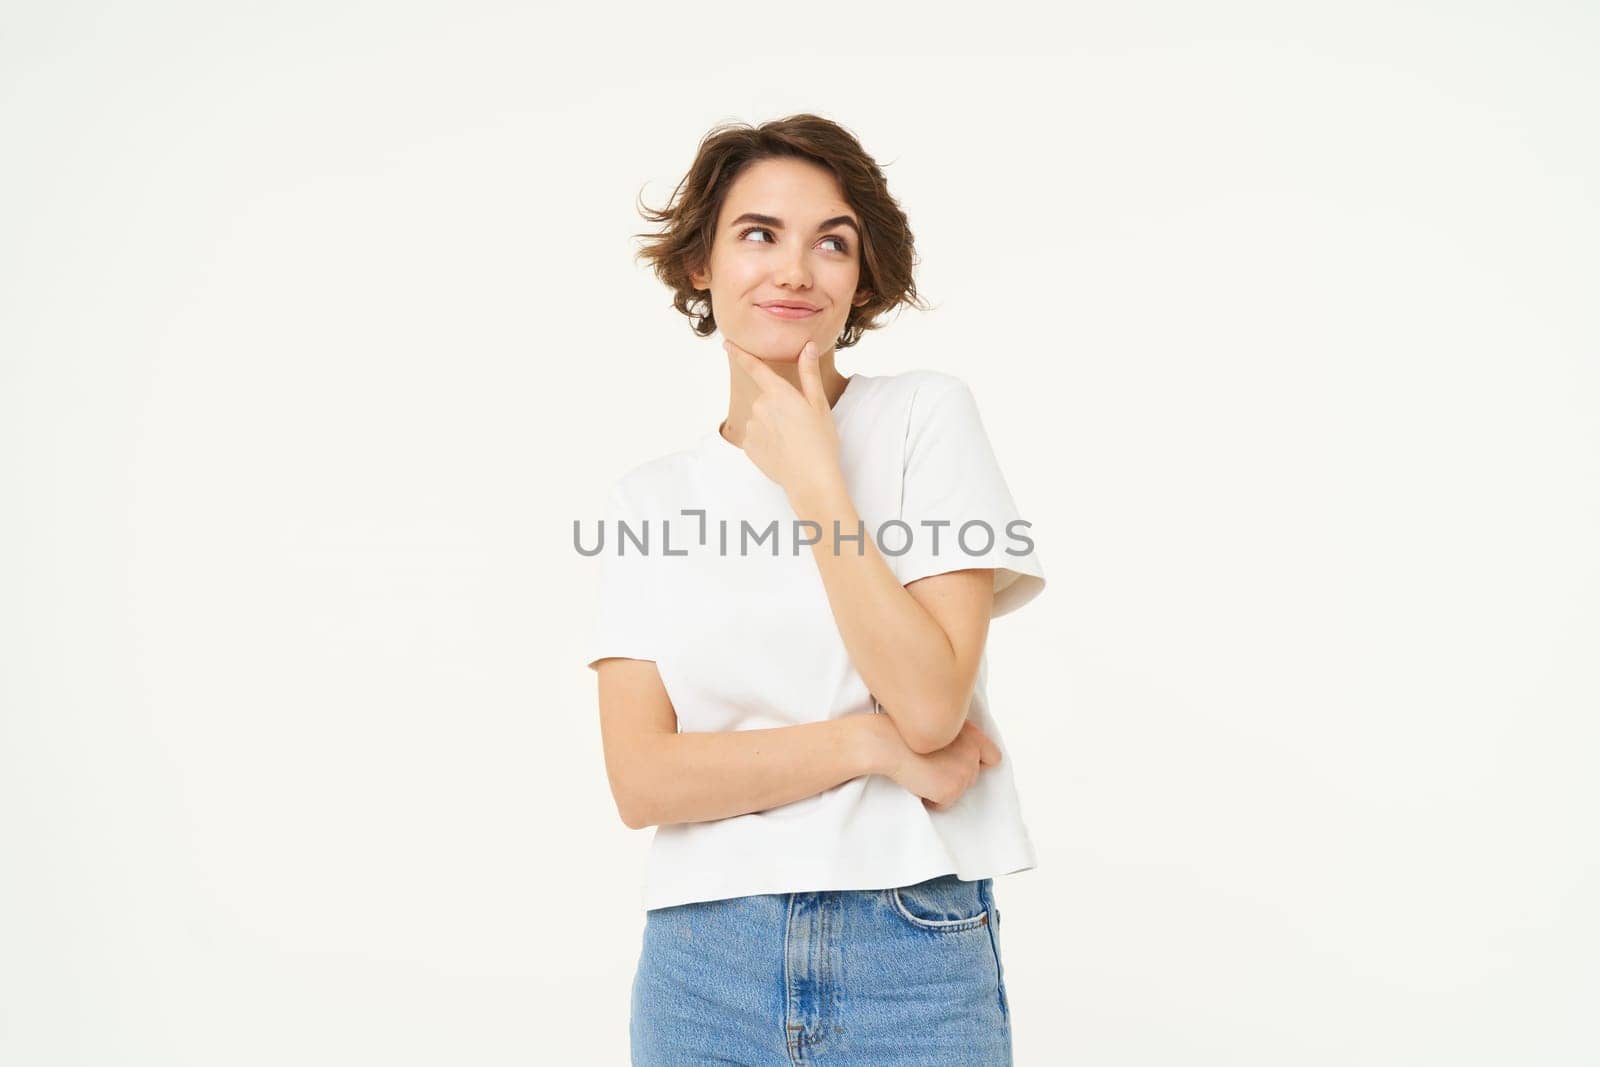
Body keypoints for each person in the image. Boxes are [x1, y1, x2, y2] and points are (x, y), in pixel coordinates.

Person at [585, 113, 1047, 1066]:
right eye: (759, 233)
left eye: (831, 242)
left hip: (910, 949)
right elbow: (643, 779)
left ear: (862, 276)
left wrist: (817, 482)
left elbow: (929, 703)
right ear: (702, 266)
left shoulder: (924, 418)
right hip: (702, 962)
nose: (794, 269)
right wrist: (866, 742)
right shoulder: (649, 499)